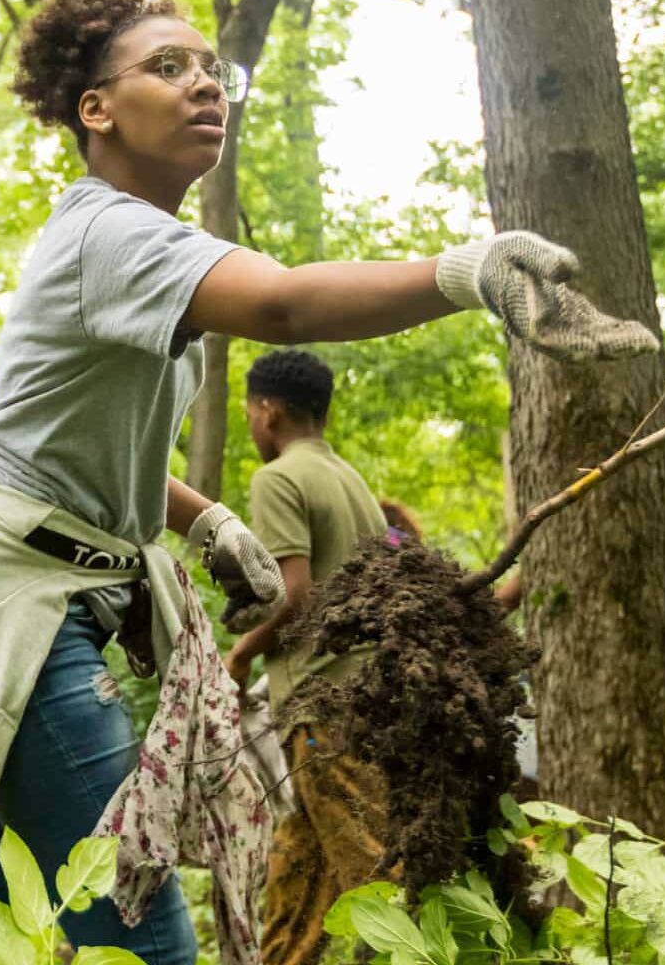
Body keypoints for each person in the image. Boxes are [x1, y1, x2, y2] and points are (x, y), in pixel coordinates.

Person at [0, 0, 660, 965]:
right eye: (167, 67)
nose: (204, 85)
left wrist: (203, 519)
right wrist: (466, 271)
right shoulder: (110, 232)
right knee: (141, 926)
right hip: (16, 611)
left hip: (45, 590)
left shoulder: (140, 243)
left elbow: (78, 449)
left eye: (211, 69)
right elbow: (283, 304)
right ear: (96, 109)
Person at [221, 348, 390, 965]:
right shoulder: (351, 481)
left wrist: (241, 653)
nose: (249, 422)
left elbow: (294, 596)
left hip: (324, 711)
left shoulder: (277, 479)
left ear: (268, 410)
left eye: (248, 411)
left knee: (380, 884)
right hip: (370, 699)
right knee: (298, 873)